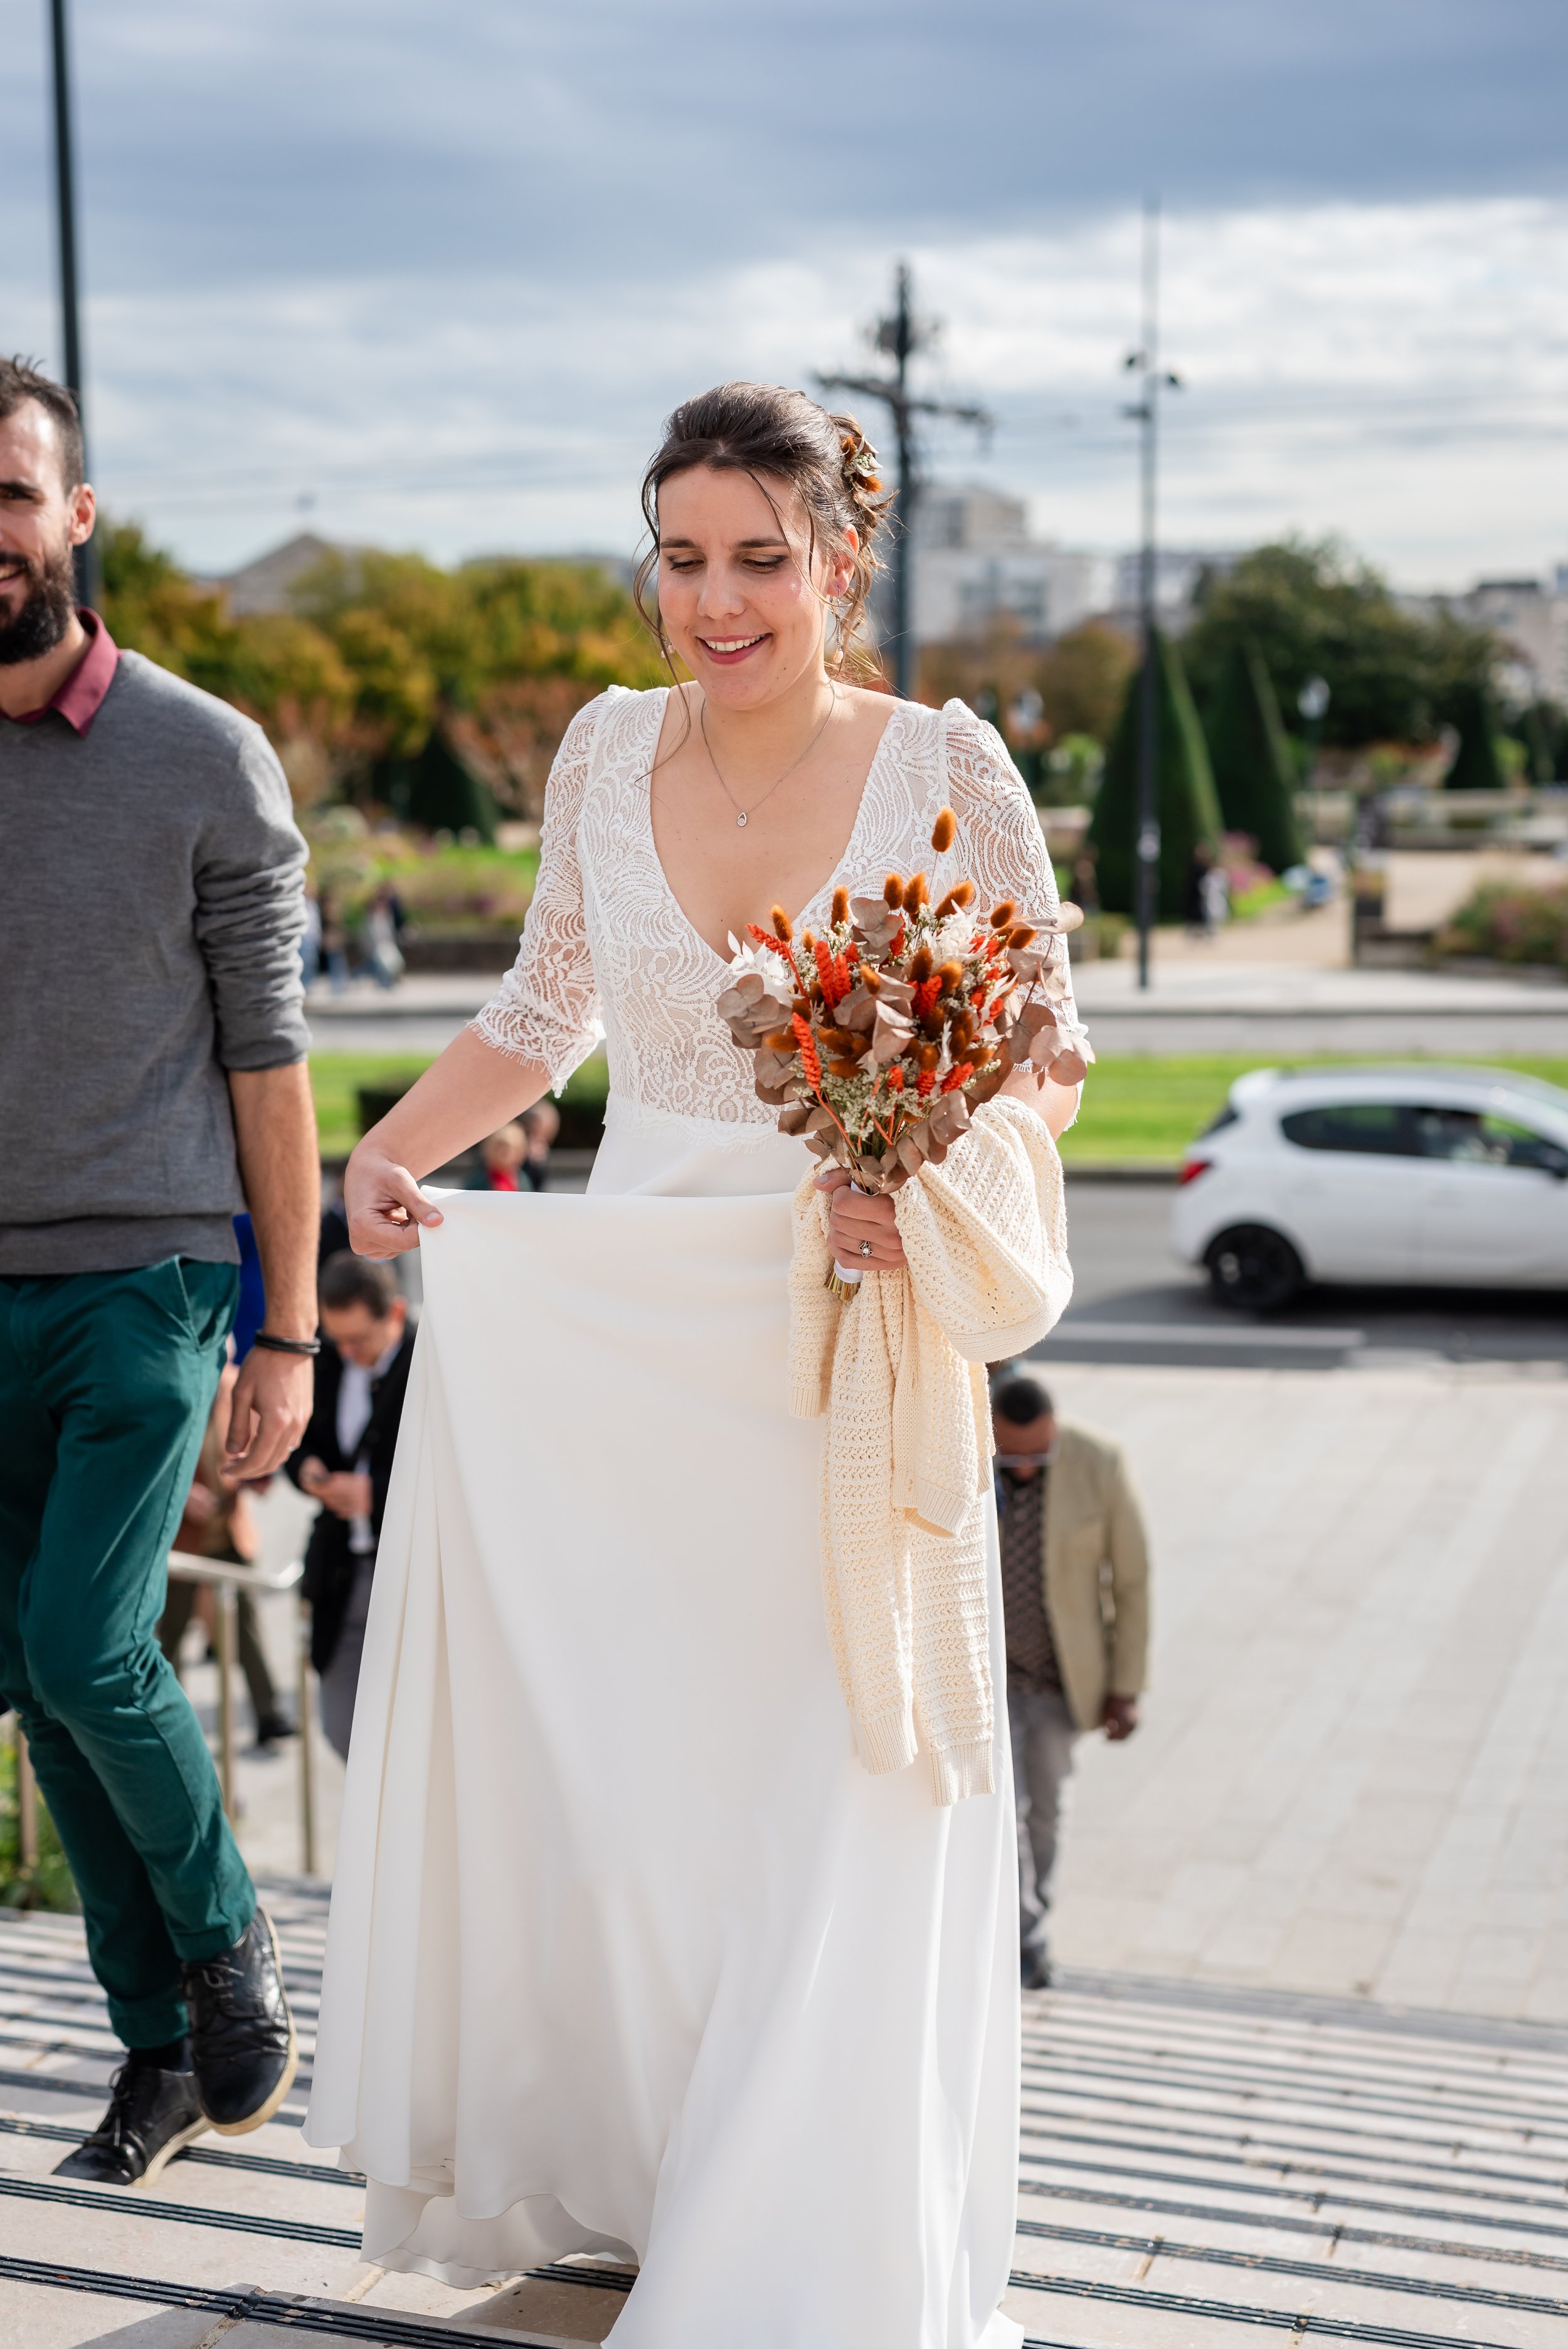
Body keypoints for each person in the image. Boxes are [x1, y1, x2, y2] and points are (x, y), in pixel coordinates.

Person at [306, 382, 1085, 2348]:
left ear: (838, 559)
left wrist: (904, 1175)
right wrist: (389, 1145)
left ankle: (805, 2239)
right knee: (641, 1790)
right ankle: (659, 2175)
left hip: (845, 1328)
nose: (715, 601)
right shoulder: (596, 749)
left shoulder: (944, 766)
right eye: (680, 558)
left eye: (758, 557)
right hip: (628, 1338)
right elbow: (541, 1007)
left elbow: (1042, 1049)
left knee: (842, 1778)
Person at [0, 357, 313, 2187]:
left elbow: (266, 1064)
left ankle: (228, 1952)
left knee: (81, 1637)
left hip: (152, 1274)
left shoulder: (202, 753)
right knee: (33, 1677)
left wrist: (283, 1321)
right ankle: (158, 2051)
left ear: (78, 517)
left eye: (13, 497)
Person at [991, 1372, 1150, 1991]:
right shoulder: (969, 1454)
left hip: (1061, 1679)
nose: (1024, 1469)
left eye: (1037, 1456)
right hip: (989, 1677)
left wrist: (1126, 1686)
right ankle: (1020, 1935)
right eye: (1013, 1458)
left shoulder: (1098, 1461)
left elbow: (1131, 1582)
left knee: (1046, 1810)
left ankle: (1032, 1923)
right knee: (1002, 1810)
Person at [287, 1254, 415, 1761]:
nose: (347, 1351)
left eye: (358, 1340)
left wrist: (375, 1495)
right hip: (340, 1573)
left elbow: (462, 1470)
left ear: (397, 1314)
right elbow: (296, 1442)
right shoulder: (327, 1362)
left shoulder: (435, 1364)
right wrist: (306, 1471)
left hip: (410, 1575)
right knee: (342, 1729)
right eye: (337, 1339)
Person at [160, 1345, 296, 1748]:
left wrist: (258, 1475)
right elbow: (151, 1462)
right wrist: (184, 1495)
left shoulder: (238, 1387)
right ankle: (168, 1727)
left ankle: (269, 1714)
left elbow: (262, 1445)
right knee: (169, 1635)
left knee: (248, 1628)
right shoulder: (172, 1390)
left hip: (230, 1528)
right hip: (182, 1540)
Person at [465, 1120, 529, 1191]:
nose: (504, 1153)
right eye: (499, 1147)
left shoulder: (521, 1178)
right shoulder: (480, 1179)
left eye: (509, 1149)